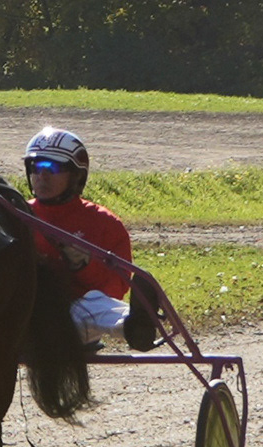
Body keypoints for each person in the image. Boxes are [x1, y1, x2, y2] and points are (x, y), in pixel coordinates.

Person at [20, 125, 160, 348]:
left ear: (76, 176)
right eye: (35, 167)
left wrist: (84, 266)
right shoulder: (14, 214)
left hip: (75, 321)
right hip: (22, 316)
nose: (42, 176)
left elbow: (116, 289)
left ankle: (135, 327)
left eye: (52, 168)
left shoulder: (105, 223)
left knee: (94, 302)